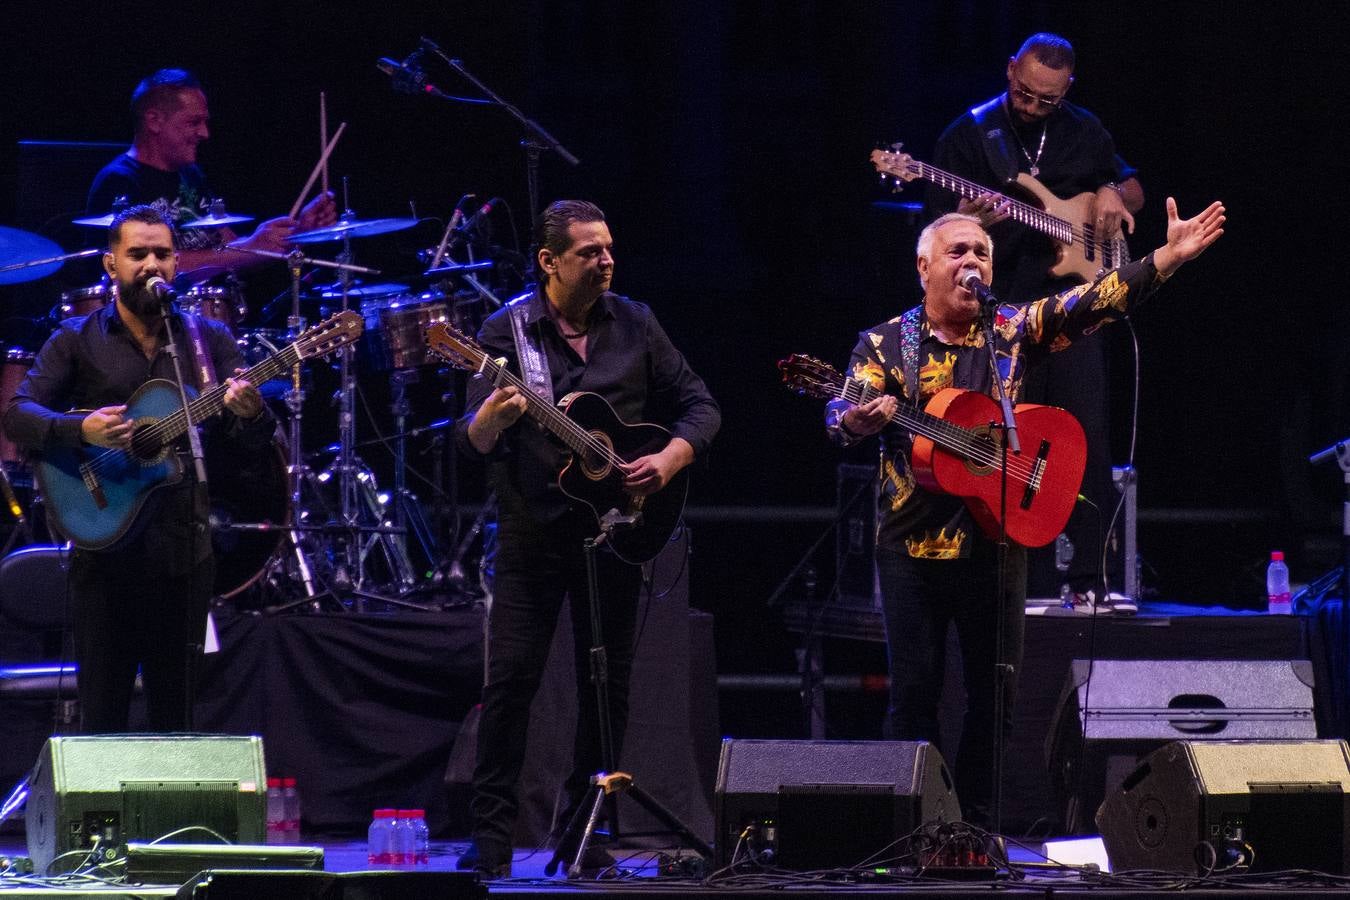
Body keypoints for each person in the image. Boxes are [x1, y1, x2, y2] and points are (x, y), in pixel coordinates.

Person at [826, 200, 1224, 826]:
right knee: (915, 698)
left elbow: (1091, 303)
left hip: (997, 540)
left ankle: (976, 832)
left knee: (995, 701)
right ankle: (911, 833)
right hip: (911, 549)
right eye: (957, 252)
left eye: (981, 252)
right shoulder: (883, 344)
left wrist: (1165, 259)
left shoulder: (1009, 327)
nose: (972, 262)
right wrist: (854, 417)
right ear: (924, 266)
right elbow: (838, 418)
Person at [452, 200, 720, 877]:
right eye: (589, 253)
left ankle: (583, 834)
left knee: (608, 685)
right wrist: (491, 414)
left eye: (608, 249)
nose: (606, 261)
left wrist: (669, 459)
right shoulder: (504, 329)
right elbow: (474, 442)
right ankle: (491, 839)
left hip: (617, 530)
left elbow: (701, 404)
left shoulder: (634, 321)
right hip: (532, 532)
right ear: (549, 261)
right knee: (512, 682)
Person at [3, 205, 273, 733]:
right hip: (104, 552)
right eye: (138, 254)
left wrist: (252, 414)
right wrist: (82, 431)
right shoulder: (76, 339)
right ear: (111, 264)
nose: (152, 264)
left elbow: (243, 446)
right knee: (102, 718)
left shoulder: (205, 342)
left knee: (177, 718)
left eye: (163, 254)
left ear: (177, 264)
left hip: (184, 552)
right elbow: (17, 415)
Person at [925, 33, 1145, 611]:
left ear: (1065, 90)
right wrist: (965, 224)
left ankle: (1091, 579)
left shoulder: (1083, 129)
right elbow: (934, 234)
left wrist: (1110, 194)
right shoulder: (968, 136)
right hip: (1001, 317)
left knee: (1085, 442)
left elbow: (1134, 186)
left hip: (1073, 312)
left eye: (1046, 100)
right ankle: (1024, 580)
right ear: (1009, 71)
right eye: (1023, 92)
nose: (1031, 106)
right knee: (1012, 444)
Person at [87, 68, 336, 280]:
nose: (205, 133)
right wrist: (251, 247)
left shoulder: (190, 175)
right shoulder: (119, 182)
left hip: (206, 322)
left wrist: (298, 234)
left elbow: (227, 250)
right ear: (154, 121)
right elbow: (143, 269)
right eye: (193, 122)